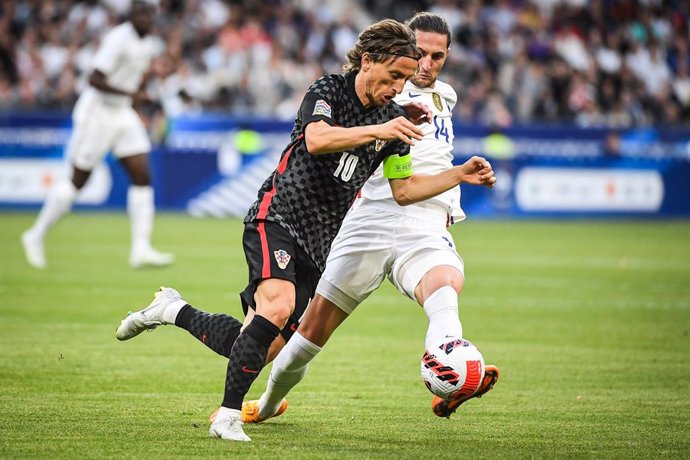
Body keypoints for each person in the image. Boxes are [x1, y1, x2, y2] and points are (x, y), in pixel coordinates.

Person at [115, 18, 495, 442]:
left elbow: (404, 190)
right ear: (368, 60)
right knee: (277, 307)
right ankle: (227, 417)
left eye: (406, 79)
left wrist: (459, 173)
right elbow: (317, 139)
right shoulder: (328, 90)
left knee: (259, 346)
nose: (400, 87)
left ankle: (171, 310)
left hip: (319, 241)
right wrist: (381, 128)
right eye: (395, 76)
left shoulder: (397, 125)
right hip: (278, 214)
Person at [243, 12, 499, 424]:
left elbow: (413, 184)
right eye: (420, 55)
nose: (427, 65)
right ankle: (269, 403)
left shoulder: (445, 96)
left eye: (437, 56)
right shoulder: (380, 92)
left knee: (445, 287)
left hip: (425, 221)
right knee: (309, 332)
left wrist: (460, 175)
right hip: (368, 220)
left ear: (447, 56)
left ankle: (455, 372)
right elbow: (325, 133)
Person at [21, 0, 174, 269]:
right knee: (77, 181)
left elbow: (130, 79)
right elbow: (94, 78)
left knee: (142, 175)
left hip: (122, 113)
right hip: (97, 114)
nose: (146, 19)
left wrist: (139, 99)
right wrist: (131, 94)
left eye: (149, 14)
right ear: (131, 15)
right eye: (140, 13)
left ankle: (140, 249)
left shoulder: (146, 42)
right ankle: (35, 234)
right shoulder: (118, 39)